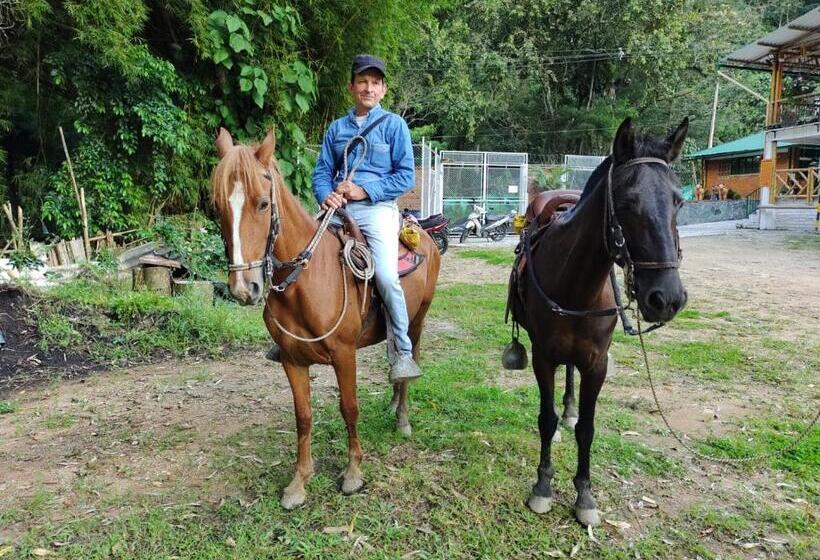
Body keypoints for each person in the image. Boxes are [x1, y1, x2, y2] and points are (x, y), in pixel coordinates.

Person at [310, 54, 420, 381]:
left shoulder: (394, 126)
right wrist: (325, 194)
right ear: (351, 87)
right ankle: (290, 335)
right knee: (299, 255)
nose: (368, 88)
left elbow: (405, 178)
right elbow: (321, 173)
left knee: (386, 275)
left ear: (383, 90)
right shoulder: (337, 129)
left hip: (378, 210)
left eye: (375, 83)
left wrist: (364, 190)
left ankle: (402, 352)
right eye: (362, 82)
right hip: (336, 210)